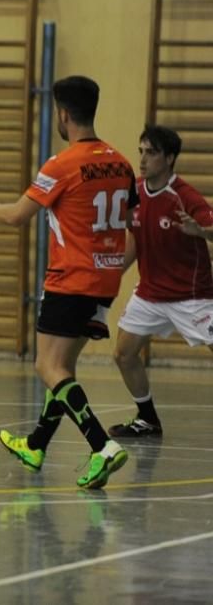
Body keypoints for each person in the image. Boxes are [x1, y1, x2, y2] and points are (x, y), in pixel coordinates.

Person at [0, 75, 134, 489]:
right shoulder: (121, 162)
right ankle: (37, 445)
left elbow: (17, 216)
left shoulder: (62, 164)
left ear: (63, 114)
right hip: (105, 279)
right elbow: (132, 225)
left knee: (48, 365)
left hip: (70, 278)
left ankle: (101, 446)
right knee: (64, 368)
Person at [110, 125, 213, 438]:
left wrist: (202, 232)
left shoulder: (185, 197)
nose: (142, 159)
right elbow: (135, 240)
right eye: (141, 151)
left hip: (191, 296)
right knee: (124, 354)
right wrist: (112, 273)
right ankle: (148, 420)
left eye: (151, 153)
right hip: (150, 295)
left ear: (169, 158)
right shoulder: (135, 193)